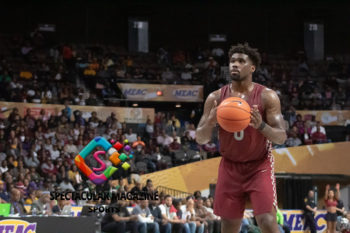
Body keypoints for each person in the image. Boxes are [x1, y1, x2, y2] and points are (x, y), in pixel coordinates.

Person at [196, 43, 287, 233]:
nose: (234, 65)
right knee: (229, 226)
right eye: (232, 61)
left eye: (240, 61)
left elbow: (281, 137)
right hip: (230, 166)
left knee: (267, 221)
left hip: (259, 165)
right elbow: (201, 139)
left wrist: (261, 125)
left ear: (252, 67)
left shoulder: (267, 97)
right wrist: (211, 121)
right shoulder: (215, 98)